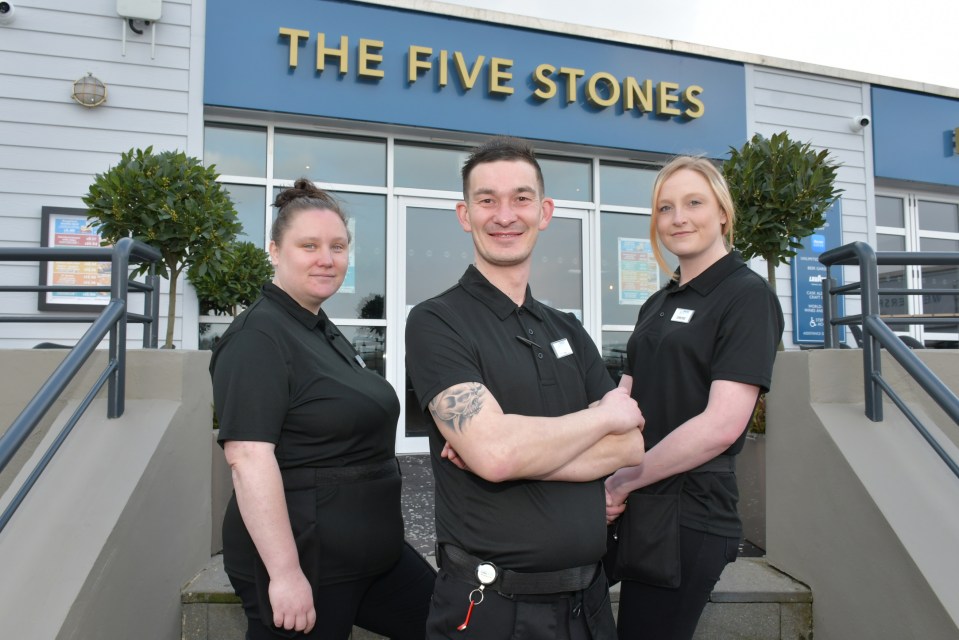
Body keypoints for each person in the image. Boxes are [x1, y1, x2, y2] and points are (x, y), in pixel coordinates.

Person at [406, 136, 646, 640]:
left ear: (544, 211)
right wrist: (601, 419)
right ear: (464, 214)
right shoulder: (437, 321)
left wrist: (512, 452)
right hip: (492, 609)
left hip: (590, 607)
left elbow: (631, 445)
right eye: (486, 200)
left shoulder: (567, 329)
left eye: (520, 198)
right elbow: (496, 454)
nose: (504, 214)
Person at [210, 179, 435, 639]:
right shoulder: (259, 337)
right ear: (274, 250)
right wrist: (286, 575)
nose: (326, 259)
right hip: (307, 561)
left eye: (337, 246)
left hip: (373, 558)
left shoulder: (317, 327)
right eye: (308, 245)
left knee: (453, 624)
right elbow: (248, 459)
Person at [604, 156, 785, 640]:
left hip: (690, 513)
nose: (678, 217)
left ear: (723, 213)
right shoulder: (658, 302)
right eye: (665, 208)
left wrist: (622, 482)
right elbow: (623, 401)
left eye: (693, 202)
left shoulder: (747, 296)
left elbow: (721, 425)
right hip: (639, 505)